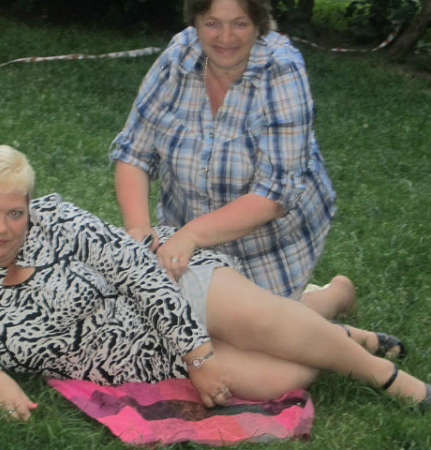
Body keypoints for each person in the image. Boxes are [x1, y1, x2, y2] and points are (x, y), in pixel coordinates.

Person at [0, 145, 431, 422]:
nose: (2, 227)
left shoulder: (55, 219)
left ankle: (386, 376)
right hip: (139, 357)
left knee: (264, 321)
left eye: (14, 212)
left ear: (29, 207)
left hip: (168, 288)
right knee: (279, 377)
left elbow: (137, 268)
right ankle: (330, 309)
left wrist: (198, 355)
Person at [111, 0, 347, 318]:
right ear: (196, 21)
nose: (225, 37)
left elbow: (274, 195)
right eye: (212, 23)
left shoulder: (281, 69)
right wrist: (140, 229)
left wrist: (192, 234)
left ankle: (336, 297)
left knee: (257, 335)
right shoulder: (178, 57)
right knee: (178, 326)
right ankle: (308, 315)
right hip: (183, 225)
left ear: (259, 24)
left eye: (239, 23)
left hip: (270, 239)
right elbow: (133, 153)